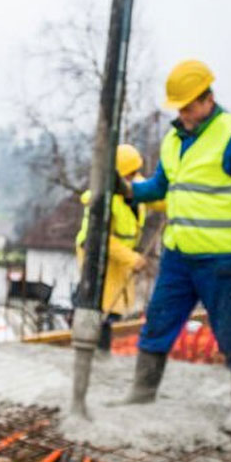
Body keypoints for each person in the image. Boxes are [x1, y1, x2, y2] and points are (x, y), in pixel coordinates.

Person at [118, 59, 231, 433]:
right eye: (180, 108)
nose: (184, 115)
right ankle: (142, 391)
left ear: (208, 99)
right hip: (178, 257)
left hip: (224, 260)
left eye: (189, 107)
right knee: (157, 321)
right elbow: (161, 186)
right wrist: (129, 191)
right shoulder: (174, 139)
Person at [76, 144, 148, 352]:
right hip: (99, 261)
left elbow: (157, 197)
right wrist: (132, 258)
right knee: (101, 310)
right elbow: (100, 237)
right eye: (131, 173)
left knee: (114, 309)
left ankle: (102, 351)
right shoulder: (102, 201)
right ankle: (96, 351)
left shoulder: (136, 188)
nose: (136, 177)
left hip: (119, 263)